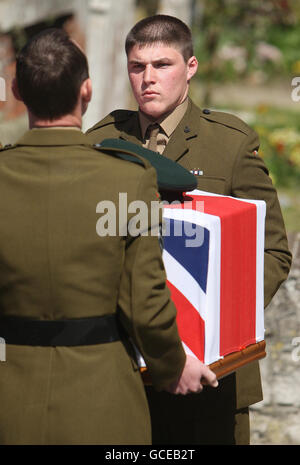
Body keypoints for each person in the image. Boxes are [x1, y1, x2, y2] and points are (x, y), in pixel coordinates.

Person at [0, 28, 218, 445]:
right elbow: (144, 300)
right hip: (99, 399)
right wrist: (172, 366)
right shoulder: (128, 180)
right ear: (86, 91)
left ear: (16, 91)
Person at [86, 15, 292, 445]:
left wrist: (222, 317)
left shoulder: (229, 144)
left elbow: (273, 251)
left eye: (162, 65)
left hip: (211, 377)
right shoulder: (103, 141)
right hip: (125, 372)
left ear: (191, 67)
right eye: (137, 66)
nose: (148, 79)